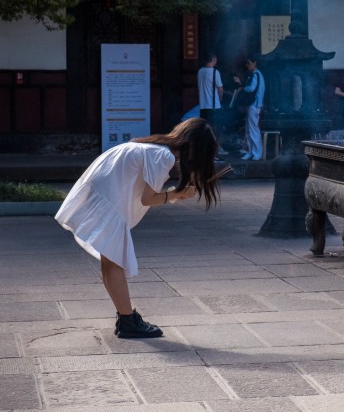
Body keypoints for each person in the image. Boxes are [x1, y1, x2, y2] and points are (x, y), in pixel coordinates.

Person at [55, 118, 221, 338]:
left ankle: (126, 318)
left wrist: (173, 194)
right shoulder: (164, 156)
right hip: (109, 202)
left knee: (110, 262)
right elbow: (148, 199)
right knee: (114, 263)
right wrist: (177, 194)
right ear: (197, 149)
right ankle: (127, 321)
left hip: (103, 196)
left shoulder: (153, 146)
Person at [233, 56, 265, 160]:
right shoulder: (256, 75)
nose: (247, 66)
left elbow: (251, 89)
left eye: (249, 63)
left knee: (253, 130)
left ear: (255, 63)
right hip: (252, 105)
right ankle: (251, 152)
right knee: (249, 130)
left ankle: (257, 153)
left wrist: (242, 87)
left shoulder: (256, 75)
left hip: (254, 105)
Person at [197, 52, 227, 155]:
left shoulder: (200, 72)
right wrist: (220, 99)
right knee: (215, 130)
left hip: (203, 106)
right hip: (214, 106)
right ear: (213, 60)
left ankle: (205, 150)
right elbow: (220, 89)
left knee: (205, 130)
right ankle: (215, 151)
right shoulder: (215, 72)